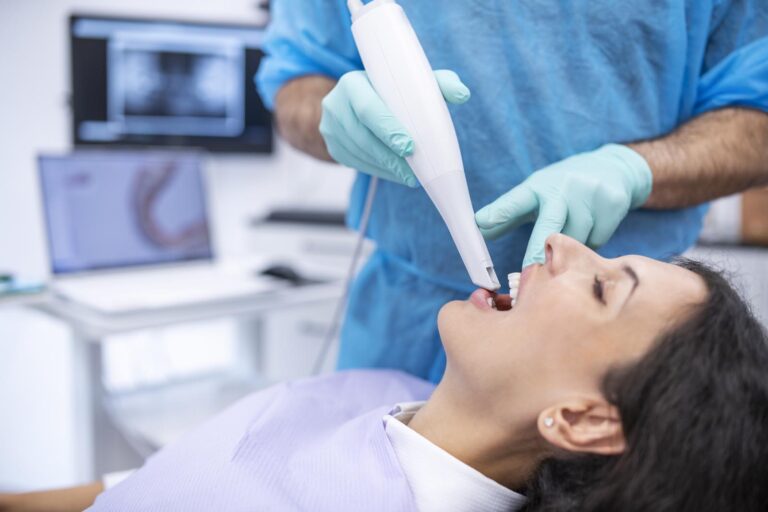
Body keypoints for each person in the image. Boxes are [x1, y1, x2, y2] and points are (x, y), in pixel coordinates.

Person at [3, 235, 767, 511]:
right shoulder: (378, 393)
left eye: (602, 287)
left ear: (581, 418)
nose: (561, 243)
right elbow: (152, 485)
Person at [258, 0, 768, 382]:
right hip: (402, 317)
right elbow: (296, 80)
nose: (555, 254)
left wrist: (635, 170)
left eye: (603, 287)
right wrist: (332, 115)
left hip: (614, 355)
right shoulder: (341, 432)